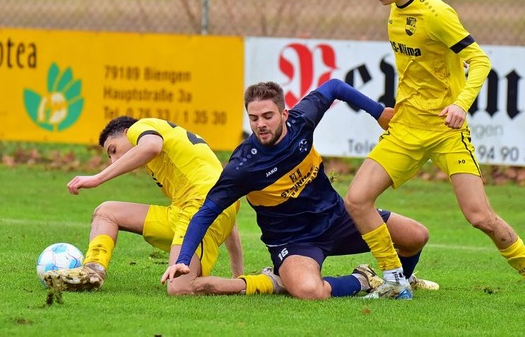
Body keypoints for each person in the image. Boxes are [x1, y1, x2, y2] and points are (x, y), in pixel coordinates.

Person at [343, 0, 525, 309]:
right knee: (357, 200)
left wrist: (460, 105)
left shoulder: (436, 13)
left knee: (480, 216)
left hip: (445, 132)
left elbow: (479, 60)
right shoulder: (394, 10)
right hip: (405, 129)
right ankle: (393, 280)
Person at [161, 79, 438, 299]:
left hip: (338, 218)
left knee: (415, 236)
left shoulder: (301, 121)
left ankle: (399, 279)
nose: (261, 124)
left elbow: (334, 87)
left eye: (268, 116)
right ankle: (362, 280)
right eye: (253, 118)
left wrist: (379, 112)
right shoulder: (243, 167)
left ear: (284, 113)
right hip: (294, 242)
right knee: (308, 291)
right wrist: (183, 259)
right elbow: (206, 211)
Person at [43, 116, 282, 296]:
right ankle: (92, 269)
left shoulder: (142, 129)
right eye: (110, 157)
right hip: (186, 212)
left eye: (113, 150)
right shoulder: (176, 162)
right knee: (106, 211)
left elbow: (150, 147)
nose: (115, 160)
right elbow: (230, 221)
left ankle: (266, 282)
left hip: (198, 212)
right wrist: (235, 271)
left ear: (128, 132)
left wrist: (97, 178)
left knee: (179, 288)